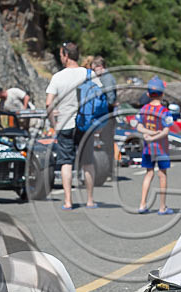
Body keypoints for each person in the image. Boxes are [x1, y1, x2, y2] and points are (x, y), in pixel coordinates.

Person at [45, 42, 101, 210]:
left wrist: (54, 124)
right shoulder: (89, 74)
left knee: (66, 162)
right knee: (87, 163)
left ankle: (68, 201)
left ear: (66, 55)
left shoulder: (58, 77)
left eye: (61, 55)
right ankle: (90, 200)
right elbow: (100, 97)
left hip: (65, 124)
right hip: (85, 124)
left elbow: (49, 103)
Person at [133, 77, 174, 215]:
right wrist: (155, 136)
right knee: (162, 175)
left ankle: (142, 204)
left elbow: (137, 126)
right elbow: (166, 130)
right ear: (163, 94)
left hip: (147, 148)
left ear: (149, 94)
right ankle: (162, 207)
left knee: (148, 173)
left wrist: (148, 134)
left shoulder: (144, 109)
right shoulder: (165, 112)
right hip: (161, 149)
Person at [91, 56, 118, 183]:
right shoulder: (104, 78)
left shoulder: (107, 78)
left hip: (107, 115)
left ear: (100, 67)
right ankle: (106, 171)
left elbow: (111, 98)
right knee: (104, 143)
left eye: (94, 69)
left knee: (107, 144)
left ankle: (110, 172)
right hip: (105, 115)